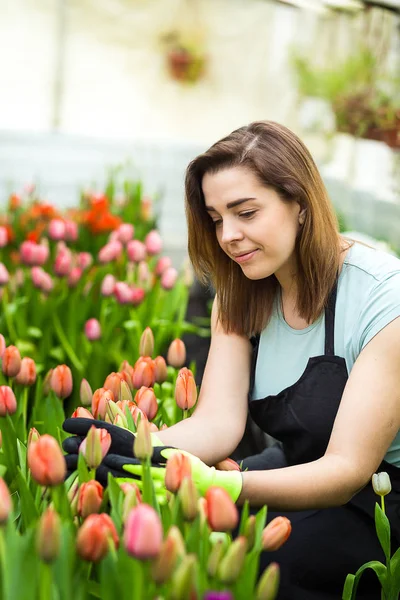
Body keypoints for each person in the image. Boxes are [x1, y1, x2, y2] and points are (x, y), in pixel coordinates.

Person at [63, 121, 400, 599]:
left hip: (381, 500)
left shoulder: (383, 298)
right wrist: (138, 449)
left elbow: (347, 469)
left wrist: (223, 483)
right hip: (295, 468)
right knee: (171, 525)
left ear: (300, 204)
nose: (229, 236)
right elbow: (218, 423)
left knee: (259, 561)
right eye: (217, 218)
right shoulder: (242, 291)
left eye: (246, 213)